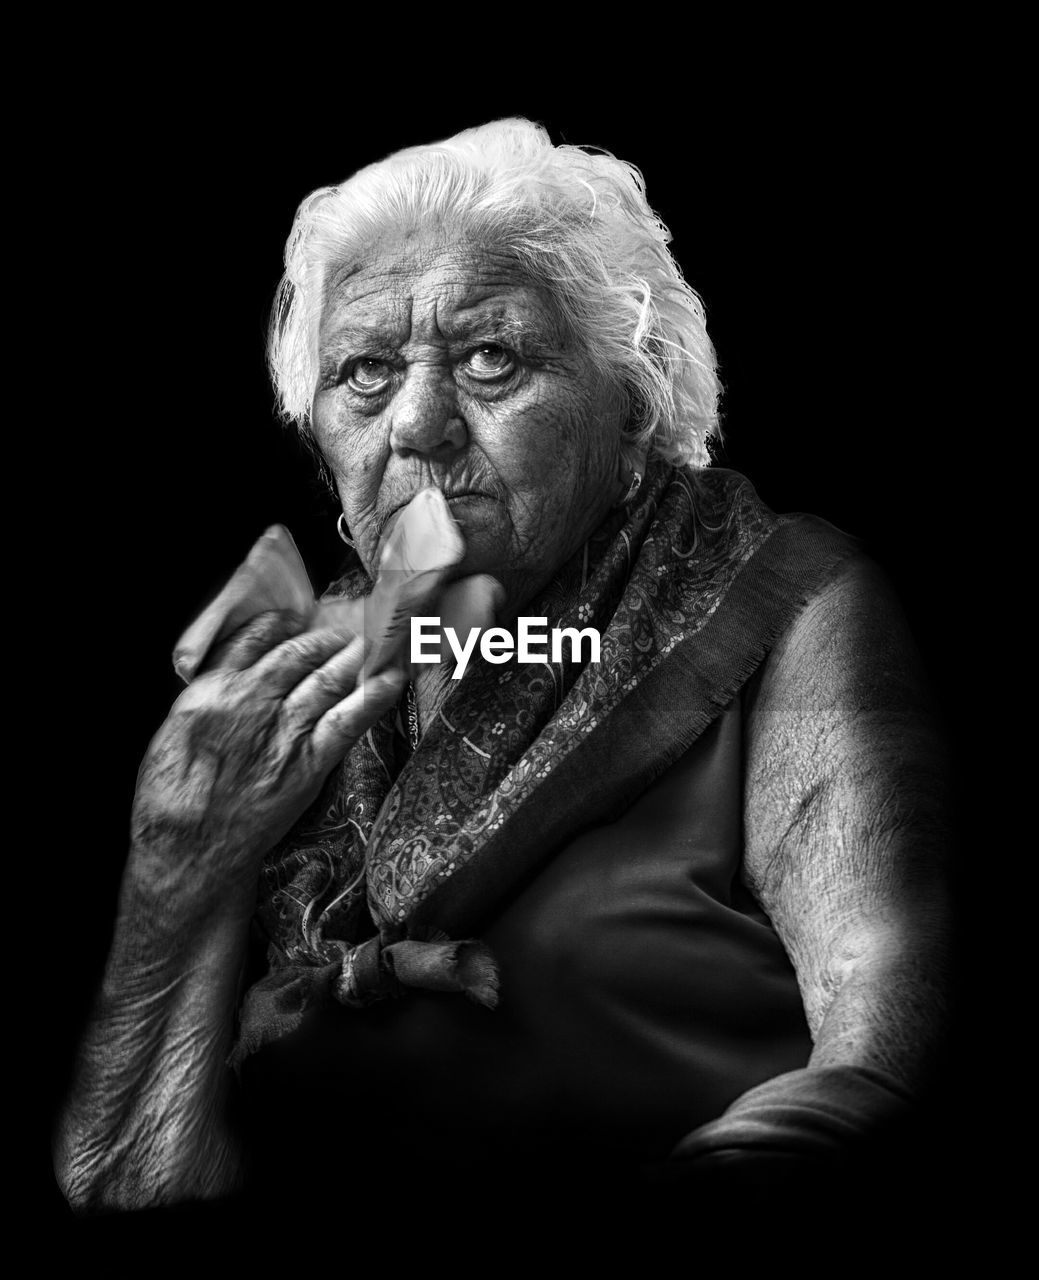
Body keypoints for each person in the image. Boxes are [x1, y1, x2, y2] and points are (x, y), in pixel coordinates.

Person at [54, 118, 950, 1224]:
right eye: (366, 373)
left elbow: (892, 1057)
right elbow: (128, 1184)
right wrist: (174, 877)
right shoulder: (290, 677)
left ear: (634, 396)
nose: (419, 423)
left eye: (492, 358)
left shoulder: (783, 603)